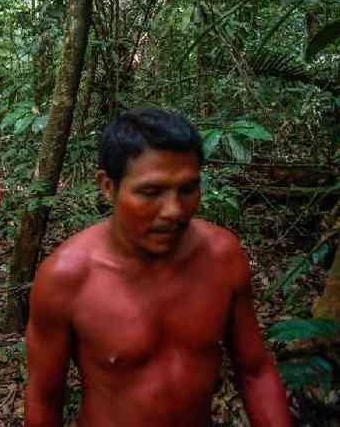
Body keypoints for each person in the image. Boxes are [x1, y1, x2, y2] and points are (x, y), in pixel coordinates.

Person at [24, 109, 291, 427]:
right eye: (151, 192)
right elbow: (44, 396)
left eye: (188, 189)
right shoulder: (66, 278)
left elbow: (255, 370)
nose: (174, 211)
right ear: (108, 186)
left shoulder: (222, 257)